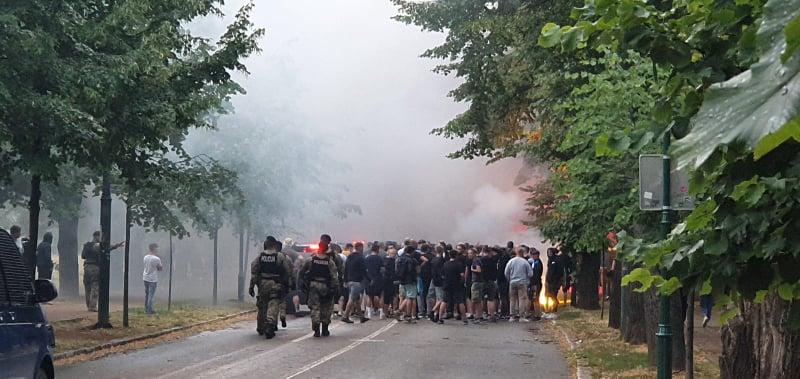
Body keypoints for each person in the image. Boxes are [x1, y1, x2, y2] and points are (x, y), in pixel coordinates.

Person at [249, 236, 293, 339]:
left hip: (263, 284)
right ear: (274, 245)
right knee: (273, 303)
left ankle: (260, 326)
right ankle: (269, 324)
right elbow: (288, 271)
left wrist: (251, 287)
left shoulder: (260, 257)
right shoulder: (280, 257)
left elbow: (254, 273)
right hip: (276, 284)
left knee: (262, 306)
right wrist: (284, 283)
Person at [300, 234, 339, 337]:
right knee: (326, 307)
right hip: (326, 286)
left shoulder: (311, 260)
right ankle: (325, 329)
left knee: (315, 307)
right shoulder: (330, 262)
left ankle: (316, 327)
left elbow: (302, 271)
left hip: (313, 286)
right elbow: (334, 276)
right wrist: (335, 288)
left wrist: (302, 283)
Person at [81, 231, 124, 312]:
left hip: (86, 267)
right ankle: (92, 306)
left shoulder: (86, 245)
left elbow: (83, 256)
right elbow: (105, 248)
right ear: (96, 236)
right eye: (100, 237)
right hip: (95, 267)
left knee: (87, 287)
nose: (101, 239)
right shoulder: (97, 245)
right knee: (95, 286)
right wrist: (116, 246)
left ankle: (88, 305)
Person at [505, 246, 533, 322]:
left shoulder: (511, 261)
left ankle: (512, 316)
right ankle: (521, 317)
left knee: (512, 299)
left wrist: (509, 279)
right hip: (522, 282)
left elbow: (506, 272)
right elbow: (530, 274)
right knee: (522, 299)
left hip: (512, 282)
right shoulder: (525, 262)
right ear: (523, 253)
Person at [342, 241, 368, 323]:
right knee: (352, 298)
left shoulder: (350, 256)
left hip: (349, 280)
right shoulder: (361, 257)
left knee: (356, 298)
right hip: (357, 281)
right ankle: (345, 316)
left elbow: (346, 268)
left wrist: (345, 280)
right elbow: (364, 270)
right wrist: (369, 279)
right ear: (360, 248)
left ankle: (361, 317)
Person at [442, 250, 468, 325]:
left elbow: (442, 275)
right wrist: (462, 281)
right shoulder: (458, 264)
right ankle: (464, 318)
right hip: (457, 285)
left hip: (447, 285)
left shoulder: (445, 264)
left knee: (444, 301)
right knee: (460, 301)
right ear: (456, 256)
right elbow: (462, 275)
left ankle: (440, 317)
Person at [395, 246, 419, 323]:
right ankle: (408, 316)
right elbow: (418, 270)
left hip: (402, 280)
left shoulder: (399, 259)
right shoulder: (413, 260)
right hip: (410, 280)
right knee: (410, 298)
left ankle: (399, 310)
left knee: (406, 297)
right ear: (412, 252)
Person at [365, 242, 385, 319]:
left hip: (369, 280)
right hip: (378, 279)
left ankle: (369, 314)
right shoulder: (379, 258)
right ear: (378, 250)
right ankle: (381, 314)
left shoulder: (367, 258)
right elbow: (382, 270)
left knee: (369, 296)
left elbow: (365, 270)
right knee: (381, 296)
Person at [142, 243, 163, 315]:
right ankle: (149, 310)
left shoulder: (145, 257)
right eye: (157, 248)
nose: (157, 249)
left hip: (145, 277)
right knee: (151, 295)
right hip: (152, 279)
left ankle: (146, 308)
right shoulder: (156, 259)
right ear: (154, 248)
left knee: (147, 294)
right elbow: (160, 268)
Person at [427, 245, 446, 323]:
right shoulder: (441, 260)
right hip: (440, 281)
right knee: (441, 298)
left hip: (433, 280)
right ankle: (433, 311)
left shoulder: (433, 259)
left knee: (435, 297)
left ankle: (436, 313)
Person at [545, 247, 564, 314]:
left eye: (550, 252)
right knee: (550, 294)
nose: (549, 254)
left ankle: (554, 308)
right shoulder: (549, 260)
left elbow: (559, 271)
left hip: (555, 280)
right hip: (550, 280)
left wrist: (557, 279)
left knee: (554, 294)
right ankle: (554, 305)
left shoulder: (557, 259)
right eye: (548, 252)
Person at [382, 247, 399, 317]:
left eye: (394, 253)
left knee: (394, 296)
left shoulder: (384, 261)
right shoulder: (394, 261)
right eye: (392, 253)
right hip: (389, 281)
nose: (393, 255)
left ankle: (391, 311)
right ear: (388, 253)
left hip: (390, 281)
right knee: (390, 297)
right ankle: (388, 312)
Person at [528, 248, 544, 320]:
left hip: (536, 283)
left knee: (536, 299)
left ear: (537, 255)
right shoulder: (534, 262)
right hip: (534, 283)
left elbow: (536, 274)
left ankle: (537, 315)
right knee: (534, 299)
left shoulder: (537, 263)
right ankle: (535, 314)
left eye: (534, 255)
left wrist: (534, 284)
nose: (533, 256)